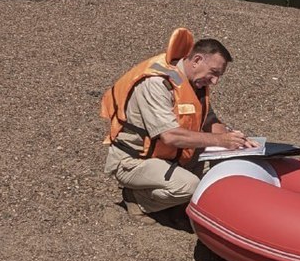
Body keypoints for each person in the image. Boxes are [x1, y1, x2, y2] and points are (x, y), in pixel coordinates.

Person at [101, 30, 255, 224]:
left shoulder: (195, 83)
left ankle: (172, 197)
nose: (215, 81)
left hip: (172, 156)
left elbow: (209, 121)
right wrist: (220, 141)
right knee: (188, 186)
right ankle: (136, 199)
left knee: (226, 164)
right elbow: (170, 136)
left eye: (219, 76)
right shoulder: (156, 83)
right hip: (135, 160)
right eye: (214, 73)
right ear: (197, 60)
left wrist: (235, 139)